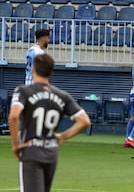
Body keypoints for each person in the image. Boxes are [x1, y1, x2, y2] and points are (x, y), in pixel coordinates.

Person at [8, 53, 91, 192]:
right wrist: (62, 136)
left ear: (33, 69)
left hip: (31, 150)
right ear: (51, 72)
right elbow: (84, 121)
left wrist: (16, 144)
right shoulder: (62, 95)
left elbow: (13, 117)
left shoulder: (23, 91)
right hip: (51, 152)